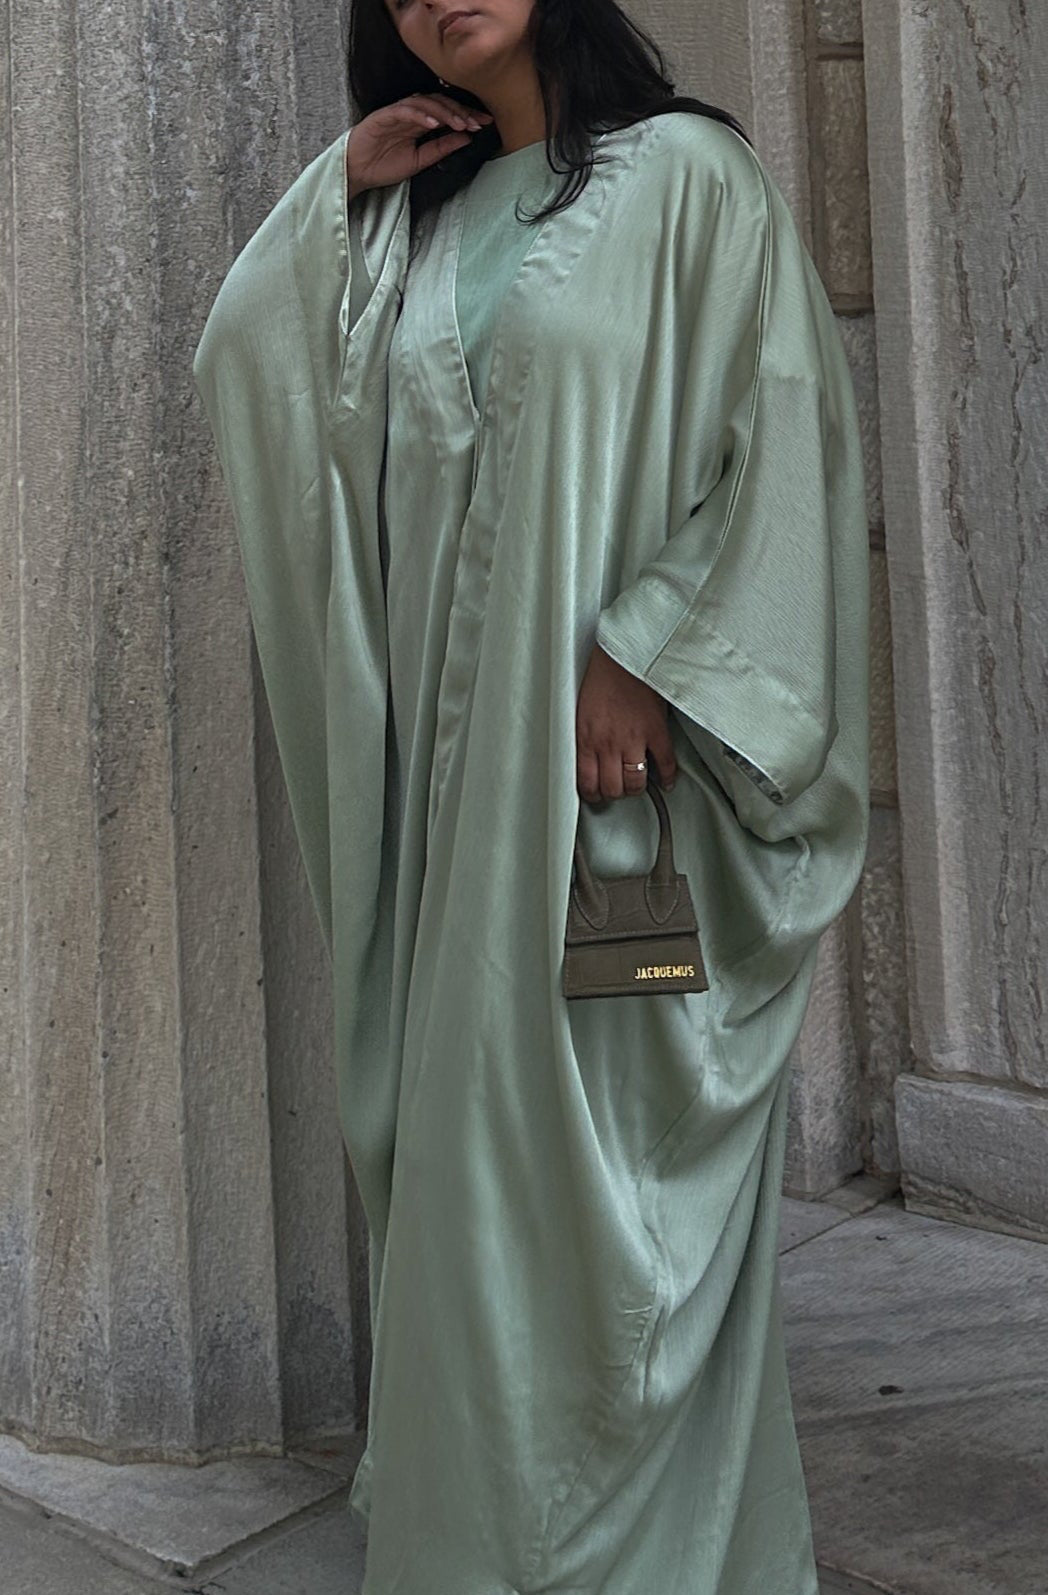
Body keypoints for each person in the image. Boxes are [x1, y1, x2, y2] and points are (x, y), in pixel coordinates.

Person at [192, 1, 870, 1589]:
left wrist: (649, 650)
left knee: (614, 1204)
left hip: (616, 810)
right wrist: (340, 191)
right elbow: (255, 365)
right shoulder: (415, 229)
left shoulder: (690, 179)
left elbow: (783, 443)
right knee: (474, 1205)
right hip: (453, 831)